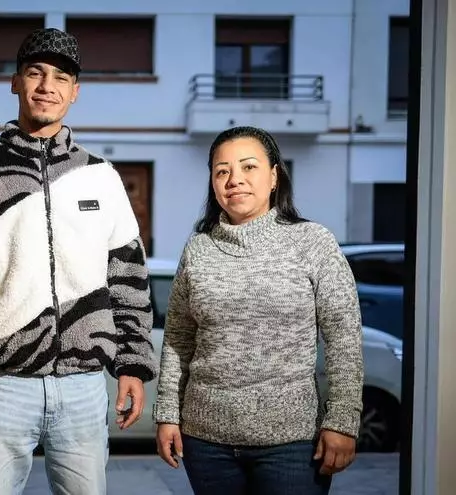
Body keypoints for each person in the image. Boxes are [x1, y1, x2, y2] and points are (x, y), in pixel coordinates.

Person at [0, 28, 156, 495]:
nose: (48, 86)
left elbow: (127, 277)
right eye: (36, 73)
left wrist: (132, 362)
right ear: (15, 82)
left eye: (61, 77)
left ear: (75, 92)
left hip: (84, 387)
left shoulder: (101, 176)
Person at [153, 126, 364, 494]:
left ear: (274, 176)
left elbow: (343, 336)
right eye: (222, 171)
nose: (234, 179)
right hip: (206, 443)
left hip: (292, 444)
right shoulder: (198, 248)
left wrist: (343, 421)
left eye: (249, 167)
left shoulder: (313, 242)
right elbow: (178, 339)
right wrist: (168, 414)